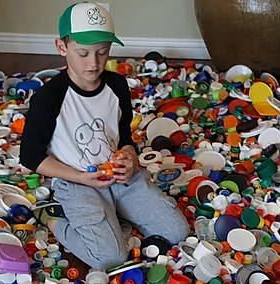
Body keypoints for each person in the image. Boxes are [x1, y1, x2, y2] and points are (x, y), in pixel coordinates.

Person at [20, 2, 189, 269]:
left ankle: (116, 210)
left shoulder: (117, 85)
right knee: (109, 257)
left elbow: (123, 137)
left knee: (177, 232)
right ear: (61, 47)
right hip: (76, 181)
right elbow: (30, 156)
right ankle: (52, 217)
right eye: (83, 53)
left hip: (120, 176)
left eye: (102, 52)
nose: (94, 63)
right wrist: (79, 177)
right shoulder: (49, 98)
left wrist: (130, 157)